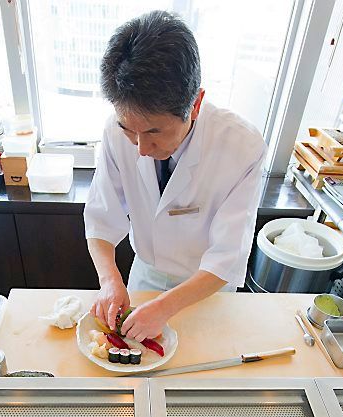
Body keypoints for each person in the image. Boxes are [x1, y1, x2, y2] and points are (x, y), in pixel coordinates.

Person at [83, 10, 265, 343]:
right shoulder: (114, 132)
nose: (140, 148)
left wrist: (166, 306)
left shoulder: (242, 146)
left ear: (195, 104)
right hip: (146, 274)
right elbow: (101, 218)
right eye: (129, 130)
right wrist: (110, 280)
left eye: (154, 131)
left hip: (206, 289)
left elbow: (228, 256)